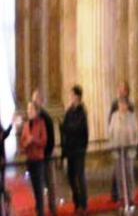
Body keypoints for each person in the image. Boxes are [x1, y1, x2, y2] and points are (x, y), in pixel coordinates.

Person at [61, 86, 89, 215]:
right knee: (71, 177)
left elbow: (77, 129)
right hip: (70, 149)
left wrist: (68, 128)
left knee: (80, 176)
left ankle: (83, 203)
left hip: (79, 149)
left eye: (72, 95)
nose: (70, 97)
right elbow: (64, 128)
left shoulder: (82, 112)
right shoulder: (69, 111)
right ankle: (76, 201)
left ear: (77, 96)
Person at [108, 97, 138, 214]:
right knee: (120, 175)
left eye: (124, 104)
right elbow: (110, 132)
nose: (122, 106)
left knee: (129, 173)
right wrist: (112, 145)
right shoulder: (114, 116)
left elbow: (135, 132)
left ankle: (131, 197)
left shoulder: (132, 116)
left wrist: (134, 145)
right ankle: (121, 197)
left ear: (127, 105)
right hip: (117, 150)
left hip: (128, 149)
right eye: (120, 104)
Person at [29, 90, 57, 216]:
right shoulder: (31, 119)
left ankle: (52, 207)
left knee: (49, 183)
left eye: (36, 100)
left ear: (40, 101)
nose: (34, 102)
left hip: (45, 156)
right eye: (33, 100)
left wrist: (46, 154)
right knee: (37, 183)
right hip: (35, 157)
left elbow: (50, 139)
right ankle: (39, 207)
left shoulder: (46, 118)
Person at [19, 100, 49, 216]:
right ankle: (38, 209)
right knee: (34, 187)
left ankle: (41, 212)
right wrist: (26, 143)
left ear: (36, 111)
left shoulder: (41, 123)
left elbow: (44, 141)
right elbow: (22, 143)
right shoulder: (26, 125)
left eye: (31, 109)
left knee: (40, 186)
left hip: (39, 159)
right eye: (28, 109)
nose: (29, 111)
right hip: (29, 159)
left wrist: (34, 140)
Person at [108, 82, 130, 201]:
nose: (120, 91)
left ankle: (127, 193)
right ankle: (116, 193)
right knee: (117, 169)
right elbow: (110, 120)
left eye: (122, 89)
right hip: (117, 140)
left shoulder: (129, 104)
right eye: (119, 89)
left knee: (127, 170)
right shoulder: (114, 104)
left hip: (127, 141)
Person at [1, 112, 13, 216]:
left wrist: (11, 125)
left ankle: (6, 205)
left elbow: (4, 135)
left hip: (1, 159)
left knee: (2, 184)